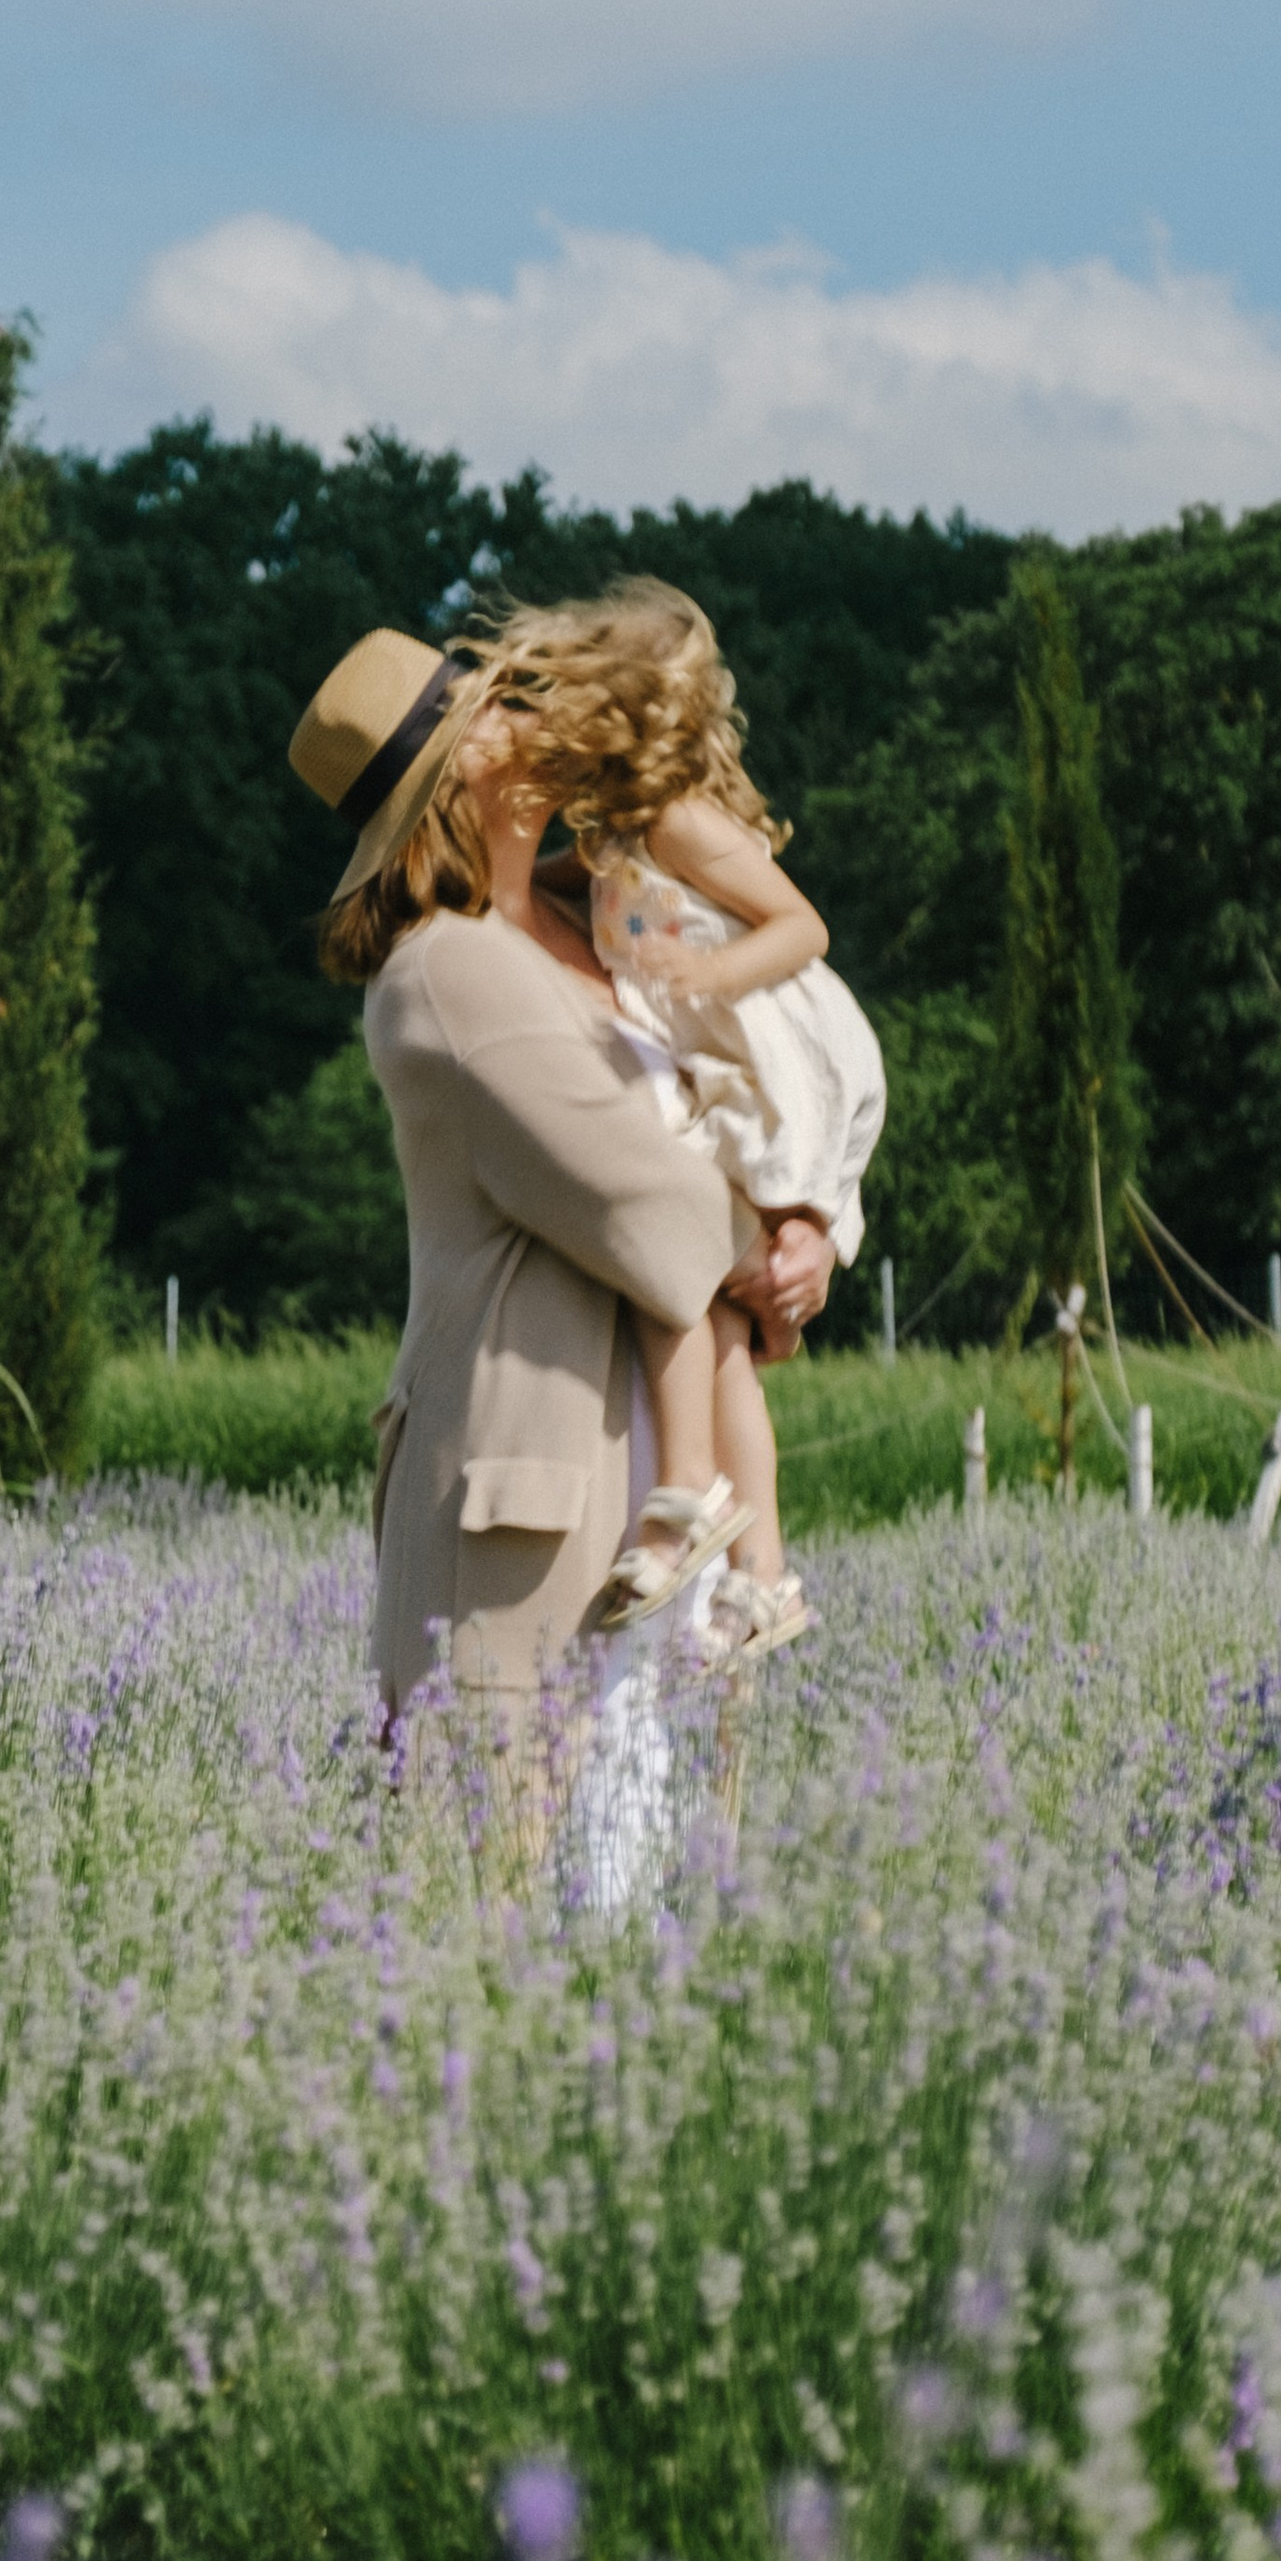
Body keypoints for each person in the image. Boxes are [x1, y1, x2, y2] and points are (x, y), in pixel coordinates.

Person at [286, 626, 834, 1745]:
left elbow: (772, 1060)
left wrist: (812, 1225)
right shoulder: (444, 969)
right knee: (518, 1889)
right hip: (540, 1519)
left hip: (671, 1521)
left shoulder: (598, 911)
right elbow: (643, 1196)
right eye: (492, 713)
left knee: (670, 1901)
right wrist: (763, 1258)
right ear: (449, 790)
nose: (528, 722)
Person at [474, 580, 885, 1659]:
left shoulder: (678, 822)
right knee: (721, 1326)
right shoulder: (615, 835)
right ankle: (756, 1568)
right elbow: (582, 890)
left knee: (707, 1300)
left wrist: (706, 968)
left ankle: (693, 1504)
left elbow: (804, 925)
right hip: (707, 1070)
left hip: (759, 1067)